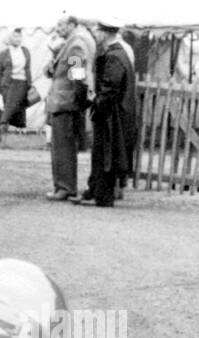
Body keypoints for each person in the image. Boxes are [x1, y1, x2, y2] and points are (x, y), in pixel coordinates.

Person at [81, 19, 135, 208]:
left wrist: (94, 101)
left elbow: (109, 88)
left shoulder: (112, 55)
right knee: (102, 153)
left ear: (104, 33)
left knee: (105, 154)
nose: (94, 34)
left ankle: (100, 195)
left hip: (106, 113)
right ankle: (95, 191)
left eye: (97, 32)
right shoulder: (114, 52)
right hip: (108, 110)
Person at [43, 14, 94, 201]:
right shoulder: (66, 44)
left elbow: (77, 75)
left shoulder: (76, 45)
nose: (57, 28)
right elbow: (56, 72)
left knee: (63, 148)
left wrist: (78, 101)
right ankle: (62, 186)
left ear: (72, 25)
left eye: (61, 24)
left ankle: (65, 187)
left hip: (66, 104)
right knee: (58, 147)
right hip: (61, 102)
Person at [0, 28, 32, 146]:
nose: (18, 39)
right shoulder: (3, 54)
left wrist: (30, 85)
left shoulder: (25, 51)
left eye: (19, 36)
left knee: (13, 112)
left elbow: (28, 69)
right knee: (2, 112)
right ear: (9, 38)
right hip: (8, 85)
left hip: (22, 84)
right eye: (15, 36)